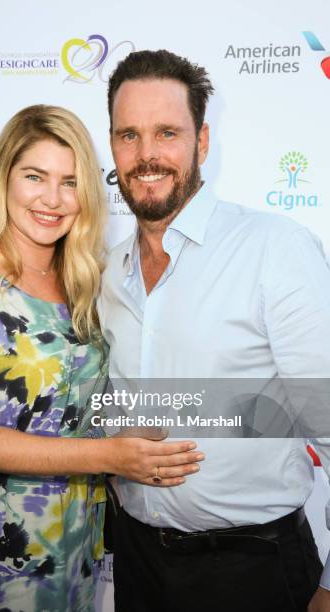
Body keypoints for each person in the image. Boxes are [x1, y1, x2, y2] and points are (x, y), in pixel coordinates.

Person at [0, 104, 204, 612]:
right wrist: (113, 458)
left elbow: (76, 409)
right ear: (3, 179)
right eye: (35, 177)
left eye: (70, 182)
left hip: (76, 540)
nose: (52, 199)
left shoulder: (82, 284)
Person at [98, 50, 330, 612]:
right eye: (128, 135)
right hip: (135, 562)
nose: (146, 155)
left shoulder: (274, 249)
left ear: (202, 142)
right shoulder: (109, 270)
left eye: (167, 133)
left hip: (252, 570)